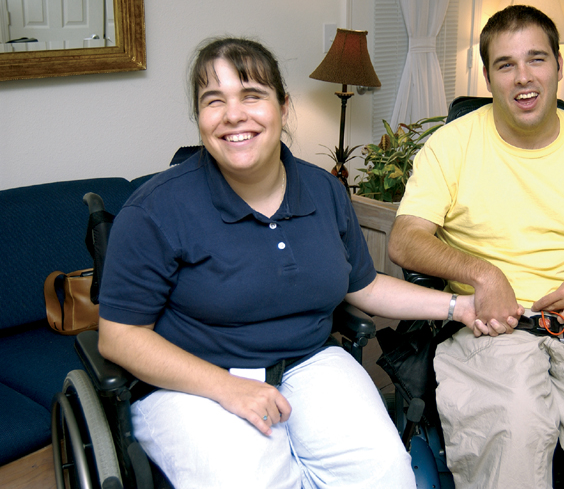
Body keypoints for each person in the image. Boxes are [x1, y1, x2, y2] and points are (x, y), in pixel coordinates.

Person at [96, 37, 496, 489]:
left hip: (309, 362)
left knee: (387, 476)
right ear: (199, 117)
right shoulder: (155, 209)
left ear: (283, 107)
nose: (233, 115)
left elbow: (362, 286)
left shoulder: (323, 190)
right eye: (214, 101)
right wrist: (227, 388)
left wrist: (456, 307)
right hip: (196, 382)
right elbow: (119, 337)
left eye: (252, 95)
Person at [388, 6, 564, 489]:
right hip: (492, 329)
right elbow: (406, 237)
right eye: (506, 64)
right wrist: (483, 274)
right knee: (515, 425)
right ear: (488, 75)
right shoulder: (450, 145)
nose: (523, 78)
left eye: (536, 59)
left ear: (559, 65)